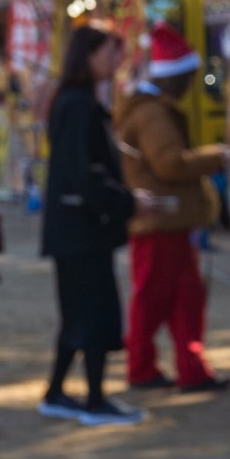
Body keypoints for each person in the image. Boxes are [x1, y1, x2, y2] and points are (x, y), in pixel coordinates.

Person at [115, 23, 230, 393]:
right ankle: (147, 367)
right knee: (157, 300)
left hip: (168, 222)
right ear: (174, 77)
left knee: (183, 300)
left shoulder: (149, 110)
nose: (190, 87)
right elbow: (170, 163)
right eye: (187, 78)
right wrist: (215, 157)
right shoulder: (153, 114)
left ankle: (188, 367)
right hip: (160, 222)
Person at [38, 22, 140, 426]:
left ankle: (56, 392)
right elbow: (83, 173)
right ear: (90, 54)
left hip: (76, 229)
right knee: (93, 315)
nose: (117, 62)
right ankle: (95, 399)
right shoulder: (78, 104)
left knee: (78, 315)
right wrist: (125, 200)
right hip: (81, 229)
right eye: (111, 52)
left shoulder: (76, 101)